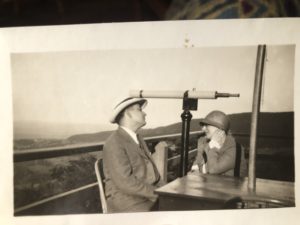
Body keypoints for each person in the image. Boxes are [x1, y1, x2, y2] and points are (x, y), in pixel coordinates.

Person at [102, 97, 164, 213]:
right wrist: (158, 193)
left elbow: (153, 174)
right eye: (139, 109)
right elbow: (125, 183)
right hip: (127, 201)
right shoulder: (114, 143)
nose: (144, 113)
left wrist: (165, 190)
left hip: (144, 196)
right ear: (128, 114)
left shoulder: (139, 138)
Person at [193, 110, 247, 177]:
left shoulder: (234, 148)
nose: (203, 129)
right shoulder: (206, 143)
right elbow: (195, 168)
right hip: (214, 184)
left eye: (207, 125)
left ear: (220, 129)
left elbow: (212, 170)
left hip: (231, 186)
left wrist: (213, 146)